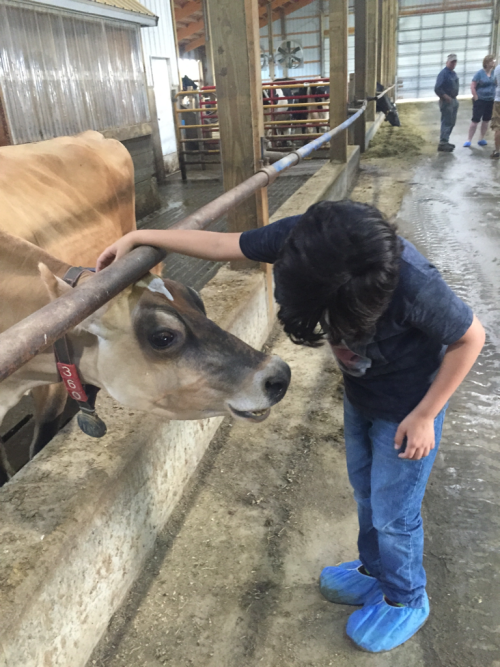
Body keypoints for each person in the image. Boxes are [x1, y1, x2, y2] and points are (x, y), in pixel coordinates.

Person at [96, 201, 485, 652]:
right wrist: (144, 236)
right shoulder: (303, 242)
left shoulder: (414, 285)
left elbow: (469, 337)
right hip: (362, 398)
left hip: (411, 409)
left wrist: (425, 415)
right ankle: (374, 569)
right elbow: (224, 245)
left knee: (395, 513)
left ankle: (405, 599)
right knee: (365, 491)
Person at [464, 55, 496, 147]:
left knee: (486, 120)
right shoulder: (479, 73)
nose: (493, 63)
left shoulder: (494, 73)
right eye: (491, 61)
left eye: (493, 61)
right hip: (480, 100)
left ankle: (481, 138)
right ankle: (469, 139)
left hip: (490, 100)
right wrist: (475, 96)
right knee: (475, 120)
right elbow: (473, 85)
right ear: (486, 63)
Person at [434, 54, 460, 152]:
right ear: (447, 62)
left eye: (455, 62)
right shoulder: (443, 73)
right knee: (446, 121)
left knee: (452, 122)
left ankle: (446, 140)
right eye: (451, 62)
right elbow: (437, 88)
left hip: (453, 100)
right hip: (447, 101)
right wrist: (445, 96)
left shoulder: (453, 73)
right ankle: (443, 142)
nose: (453, 64)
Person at [490, 59, 500, 158]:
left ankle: (497, 151)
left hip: (498, 100)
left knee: (498, 126)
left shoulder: (497, 68)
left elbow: (495, 82)